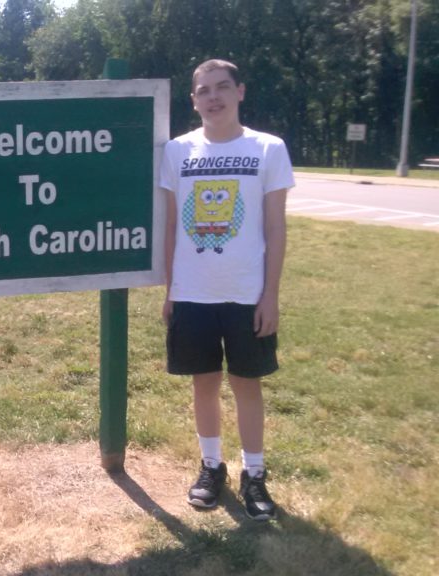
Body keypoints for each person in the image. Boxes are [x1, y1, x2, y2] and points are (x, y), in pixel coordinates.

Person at [159, 59, 294, 521]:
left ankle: (253, 474)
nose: (212, 97)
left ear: (240, 91)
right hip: (193, 292)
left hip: (246, 293)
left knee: (246, 385)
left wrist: (270, 294)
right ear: (193, 99)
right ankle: (211, 467)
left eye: (221, 88)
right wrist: (171, 289)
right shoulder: (177, 151)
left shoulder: (268, 149)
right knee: (204, 384)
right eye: (203, 91)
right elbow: (172, 224)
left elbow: (275, 229)